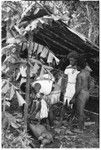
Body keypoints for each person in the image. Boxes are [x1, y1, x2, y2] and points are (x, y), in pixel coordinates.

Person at [69, 56, 91, 132]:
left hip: (81, 94)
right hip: (87, 93)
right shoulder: (87, 73)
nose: (75, 67)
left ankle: (80, 129)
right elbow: (89, 85)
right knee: (81, 110)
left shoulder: (79, 75)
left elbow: (78, 88)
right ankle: (83, 126)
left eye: (76, 66)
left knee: (80, 112)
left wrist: (73, 97)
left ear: (79, 66)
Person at [59, 52, 80, 125]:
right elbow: (64, 78)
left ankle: (70, 122)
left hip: (75, 87)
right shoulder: (68, 67)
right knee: (65, 103)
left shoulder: (79, 69)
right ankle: (61, 121)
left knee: (73, 105)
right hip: (68, 87)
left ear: (76, 60)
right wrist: (62, 89)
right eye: (70, 60)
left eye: (72, 60)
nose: (70, 62)